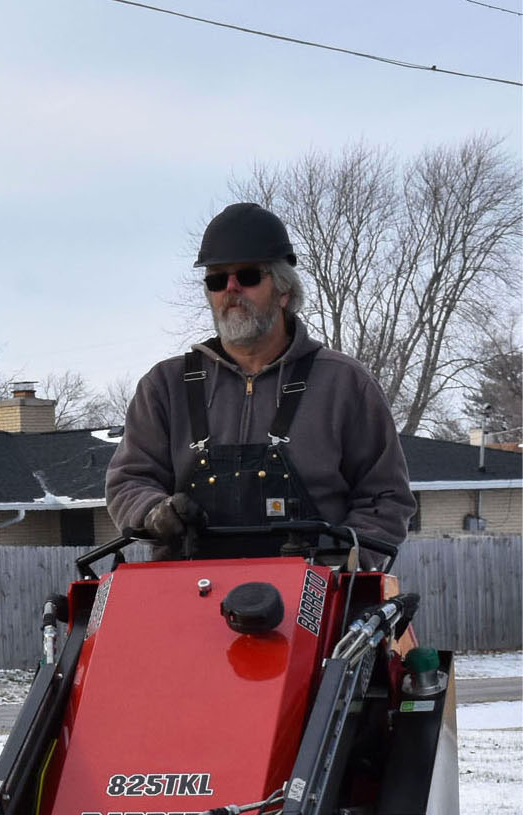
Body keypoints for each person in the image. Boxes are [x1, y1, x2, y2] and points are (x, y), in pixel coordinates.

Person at [105, 202, 415, 564]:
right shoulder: (165, 386)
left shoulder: (344, 383)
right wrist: (154, 511)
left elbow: (386, 498)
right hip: (186, 597)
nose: (231, 289)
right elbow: (128, 481)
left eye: (248, 276)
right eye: (217, 279)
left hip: (317, 601)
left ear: (284, 290)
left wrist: (343, 569)